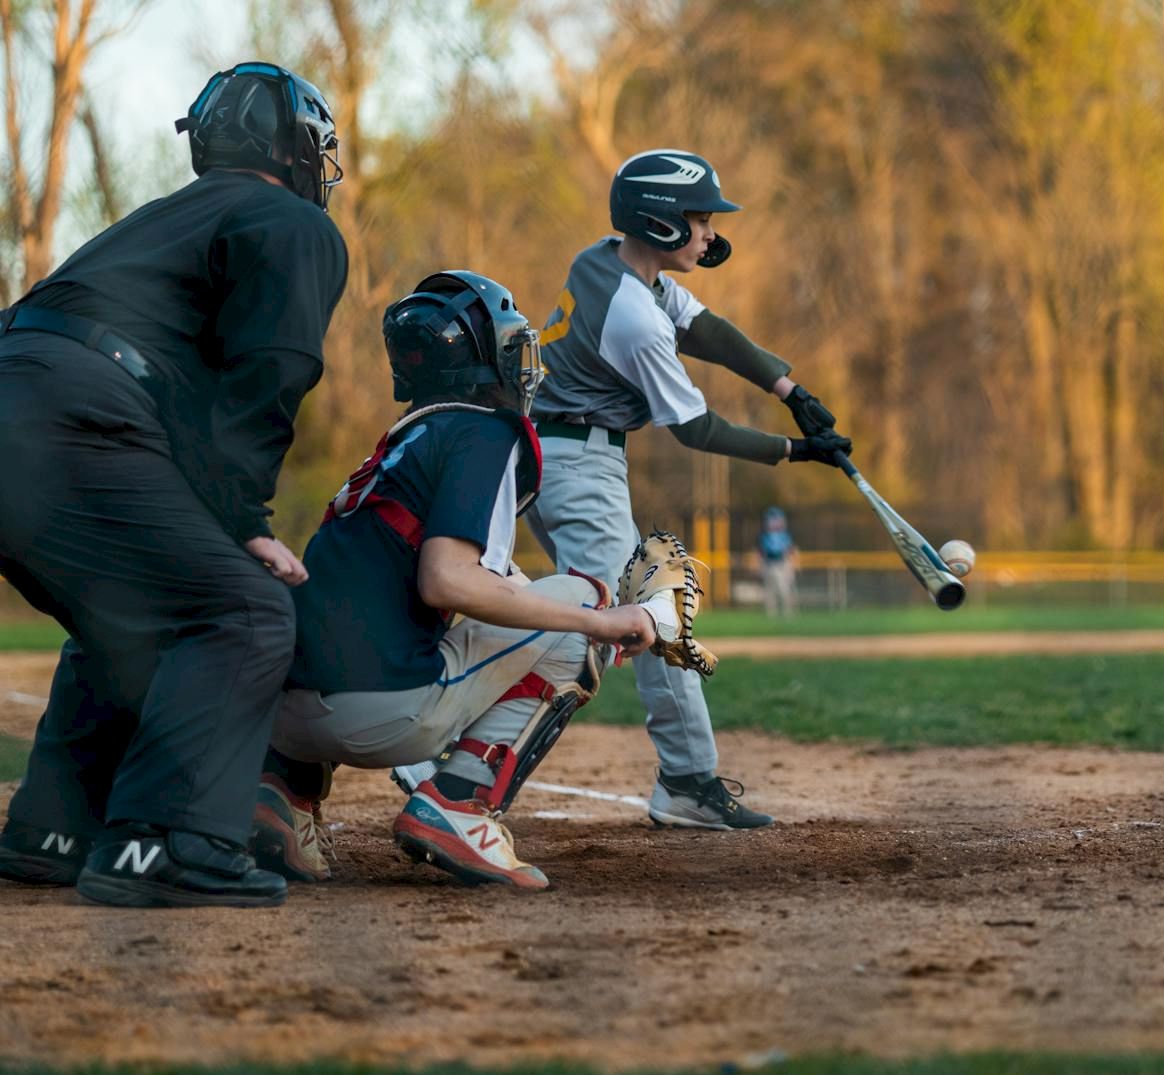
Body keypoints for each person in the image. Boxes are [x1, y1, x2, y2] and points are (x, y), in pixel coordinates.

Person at [0, 63, 348, 908]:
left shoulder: (157, 220)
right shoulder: (289, 219)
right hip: (73, 412)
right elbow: (271, 369)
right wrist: (245, 518)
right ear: (295, 146)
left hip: (29, 388)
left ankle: (53, 829)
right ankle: (162, 842)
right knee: (244, 610)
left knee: (139, 605)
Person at [250, 272, 666, 891]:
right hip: (376, 715)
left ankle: (281, 793)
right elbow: (447, 580)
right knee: (582, 604)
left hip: (282, 715)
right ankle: (461, 807)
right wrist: (606, 621)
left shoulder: (405, 440)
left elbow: (471, 577)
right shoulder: (483, 430)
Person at [518, 148, 851, 830]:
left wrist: (791, 390)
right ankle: (450, 760)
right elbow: (696, 430)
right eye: (700, 220)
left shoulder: (610, 261)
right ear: (662, 224)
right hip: (577, 464)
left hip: (561, 452)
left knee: (618, 616)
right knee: (626, 623)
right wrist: (793, 452)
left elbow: (709, 330)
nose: (710, 234)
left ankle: (687, 778)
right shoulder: (633, 318)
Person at [757, 507, 800, 617]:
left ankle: (788, 613)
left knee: (784, 590)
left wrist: (794, 563)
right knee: (770, 592)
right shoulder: (764, 537)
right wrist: (759, 565)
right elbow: (761, 553)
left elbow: (791, 551)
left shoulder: (785, 536)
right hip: (769, 564)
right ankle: (772, 614)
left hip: (782, 564)